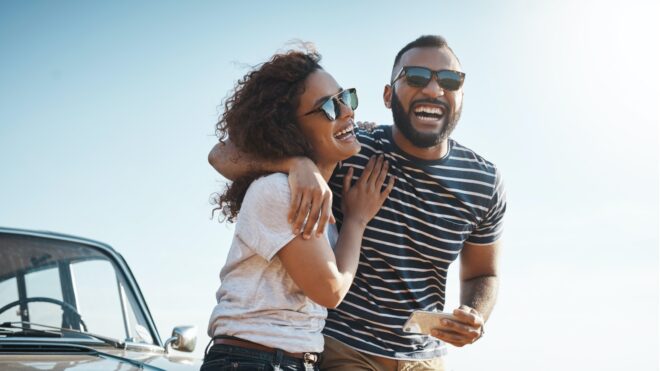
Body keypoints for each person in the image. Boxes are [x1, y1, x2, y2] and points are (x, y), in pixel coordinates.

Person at [209, 35, 506, 371]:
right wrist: (297, 164)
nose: (434, 90)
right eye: (417, 78)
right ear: (388, 94)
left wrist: (475, 313)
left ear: (462, 94)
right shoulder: (345, 147)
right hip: (341, 351)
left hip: (424, 358)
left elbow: (484, 273)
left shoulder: (484, 182)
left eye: (450, 80)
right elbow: (223, 154)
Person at [202, 48, 395, 371]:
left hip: (279, 360)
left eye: (345, 97)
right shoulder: (280, 190)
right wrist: (357, 220)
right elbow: (330, 290)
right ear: (290, 128)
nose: (347, 112)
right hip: (257, 360)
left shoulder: (307, 189)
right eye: (330, 107)